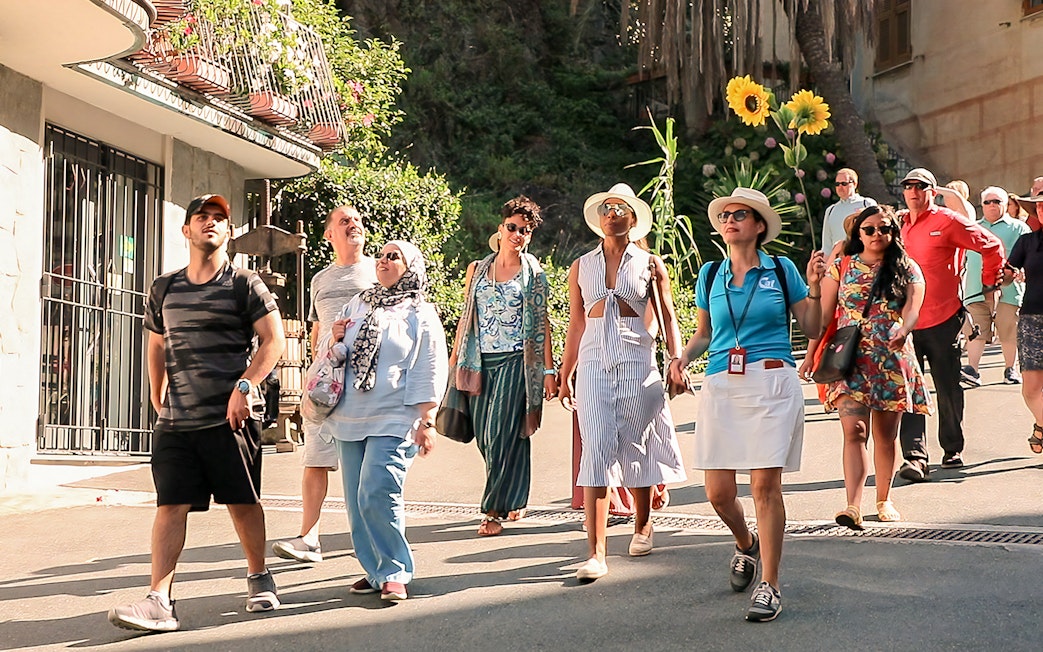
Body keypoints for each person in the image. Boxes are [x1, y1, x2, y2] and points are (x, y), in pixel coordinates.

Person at [109, 194, 286, 632]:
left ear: (228, 233)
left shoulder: (245, 283)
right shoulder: (163, 288)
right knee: (170, 504)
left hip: (230, 417)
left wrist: (245, 386)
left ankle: (259, 575)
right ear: (186, 230)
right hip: (177, 421)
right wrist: (156, 391)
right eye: (201, 217)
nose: (210, 223)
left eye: (219, 219)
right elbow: (155, 341)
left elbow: (274, 340)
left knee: (242, 502)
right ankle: (159, 600)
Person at [669, 186, 824, 623]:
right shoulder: (710, 273)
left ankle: (770, 585)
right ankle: (745, 543)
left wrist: (813, 290)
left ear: (758, 226)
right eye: (726, 215)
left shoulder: (782, 268)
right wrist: (682, 357)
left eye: (741, 214)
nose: (731, 219)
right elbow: (703, 333)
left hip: (772, 380)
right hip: (722, 381)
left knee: (763, 487)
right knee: (718, 493)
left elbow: (811, 325)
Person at [558, 182, 687, 581]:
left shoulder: (651, 263)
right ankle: (596, 552)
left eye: (621, 208)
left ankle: (643, 525)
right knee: (596, 448)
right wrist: (564, 373)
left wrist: (677, 361)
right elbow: (576, 322)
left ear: (633, 218)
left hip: (638, 359)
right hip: (594, 363)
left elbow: (667, 316)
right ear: (599, 218)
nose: (612, 213)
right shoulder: (581, 265)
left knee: (639, 442)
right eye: (606, 208)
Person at [321, 240, 448, 601]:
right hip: (350, 414)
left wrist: (428, 420)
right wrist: (335, 339)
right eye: (382, 254)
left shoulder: (420, 311)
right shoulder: (358, 303)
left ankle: (395, 570)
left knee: (377, 490)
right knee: (355, 500)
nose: (384, 260)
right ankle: (375, 569)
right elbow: (332, 355)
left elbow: (430, 365)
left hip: (396, 414)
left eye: (394, 256)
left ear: (410, 267)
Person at [272, 206, 376, 563]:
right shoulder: (320, 279)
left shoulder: (378, 272)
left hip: (363, 379)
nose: (354, 225)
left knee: (364, 462)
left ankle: (373, 536)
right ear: (329, 234)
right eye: (344, 221)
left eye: (358, 221)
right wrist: (312, 371)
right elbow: (317, 329)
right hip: (325, 380)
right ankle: (309, 538)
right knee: (315, 457)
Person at [816, 205, 932, 529]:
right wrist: (813, 352)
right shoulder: (841, 266)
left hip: (891, 358)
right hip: (851, 358)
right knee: (854, 431)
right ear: (858, 234)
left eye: (884, 229)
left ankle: (884, 498)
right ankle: (852, 505)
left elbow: (913, 307)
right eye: (869, 230)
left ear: (893, 233)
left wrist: (903, 329)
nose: (877, 235)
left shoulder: (906, 268)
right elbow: (825, 313)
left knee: (885, 435)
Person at [450, 196, 557, 537]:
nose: (517, 235)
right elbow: (466, 317)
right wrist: (454, 359)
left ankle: (492, 510)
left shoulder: (534, 274)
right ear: (501, 229)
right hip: (478, 361)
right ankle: (514, 497)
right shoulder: (477, 269)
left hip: (516, 362)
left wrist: (549, 371)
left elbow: (543, 324)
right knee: (486, 436)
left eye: (524, 231)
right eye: (512, 228)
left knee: (500, 433)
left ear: (530, 236)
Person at [896, 168, 1004, 481]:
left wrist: (988, 285)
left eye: (920, 187)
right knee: (909, 390)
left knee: (947, 388)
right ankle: (914, 458)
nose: (914, 193)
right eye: (908, 187)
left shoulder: (948, 221)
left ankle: (952, 447)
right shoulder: (900, 224)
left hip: (944, 318)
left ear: (933, 191)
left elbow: (991, 245)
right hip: (907, 322)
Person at [960, 187, 1031, 387]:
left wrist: (1023, 272)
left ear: (1005, 204)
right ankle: (972, 370)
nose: (992, 206)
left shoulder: (1018, 228)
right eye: (987, 202)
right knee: (976, 330)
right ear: (981, 206)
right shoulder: (972, 228)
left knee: (1008, 330)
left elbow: (1028, 254)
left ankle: (1011, 369)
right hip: (975, 289)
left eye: (997, 202)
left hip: (1007, 290)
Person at [1004, 219, 1043, 454]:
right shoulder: (1028, 242)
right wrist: (1004, 275)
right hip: (1032, 320)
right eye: (1038, 205)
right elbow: (1008, 272)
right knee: (1031, 389)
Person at [820, 168, 877, 253]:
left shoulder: (867, 204)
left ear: (854, 184)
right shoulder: (831, 210)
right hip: (838, 261)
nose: (840, 187)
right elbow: (827, 246)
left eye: (844, 183)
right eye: (837, 184)